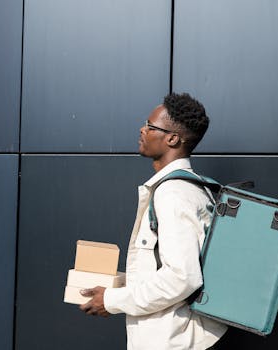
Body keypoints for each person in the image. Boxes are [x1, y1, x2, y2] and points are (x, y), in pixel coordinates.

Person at [79, 93, 228, 349]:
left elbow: (183, 277)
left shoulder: (173, 193)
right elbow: (168, 266)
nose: (142, 129)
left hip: (170, 339)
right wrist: (116, 288)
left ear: (172, 138)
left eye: (150, 126)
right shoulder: (197, 189)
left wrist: (113, 301)